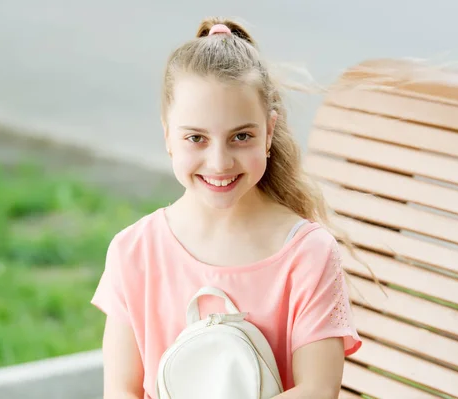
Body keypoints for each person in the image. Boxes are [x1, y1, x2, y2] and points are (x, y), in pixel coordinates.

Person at [91, 17, 362, 399]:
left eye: (241, 136)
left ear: (269, 132)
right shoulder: (134, 251)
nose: (219, 162)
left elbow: (318, 388)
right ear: (168, 135)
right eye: (196, 138)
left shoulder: (308, 254)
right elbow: (121, 389)